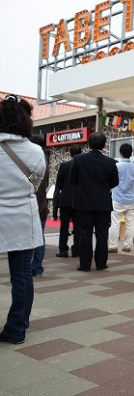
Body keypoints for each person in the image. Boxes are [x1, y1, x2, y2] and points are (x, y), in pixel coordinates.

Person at [0, 94, 46, 344]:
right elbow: (35, 184)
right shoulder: (36, 151)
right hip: (22, 219)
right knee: (22, 275)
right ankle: (17, 327)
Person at [70, 132, 119, 271]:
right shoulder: (110, 162)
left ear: (89, 144)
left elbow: (72, 179)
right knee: (102, 234)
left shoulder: (78, 160)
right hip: (103, 203)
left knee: (85, 233)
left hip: (83, 202)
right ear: (104, 145)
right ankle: (101, 263)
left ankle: (85, 264)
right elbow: (114, 182)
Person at [108, 143, 134, 253]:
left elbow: (111, 180)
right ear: (131, 153)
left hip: (117, 198)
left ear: (120, 153)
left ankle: (113, 246)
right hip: (130, 199)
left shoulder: (116, 166)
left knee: (115, 223)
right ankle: (127, 245)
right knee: (130, 223)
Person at [53, 145, 82, 258]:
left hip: (65, 199)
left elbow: (59, 184)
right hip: (79, 200)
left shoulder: (64, 166)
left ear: (70, 154)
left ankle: (63, 250)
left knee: (64, 226)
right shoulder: (83, 166)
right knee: (78, 226)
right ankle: (77, 250)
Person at [29, 135, 49, 277]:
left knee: (30, 238)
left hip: (31, 204)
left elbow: (32, 181)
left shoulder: (33, 162)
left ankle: (33, 266)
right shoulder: (44, 162)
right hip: (42, 205)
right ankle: (37, 266)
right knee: (39, 237)